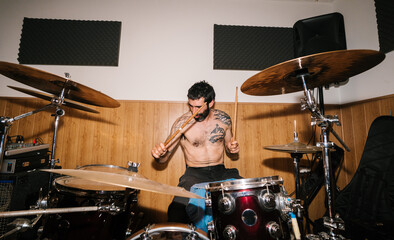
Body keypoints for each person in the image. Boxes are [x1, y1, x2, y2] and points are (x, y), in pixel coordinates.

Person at [151, 80, 242, 224]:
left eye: (198, 107)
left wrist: (233, 150)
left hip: (220, 170)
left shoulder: (224, 120)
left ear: (210, 103)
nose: (194, 112)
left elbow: (231, 150)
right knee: (176, 211)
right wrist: (159, 155)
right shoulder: (181, 124)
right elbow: (163, 159)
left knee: (247, 197)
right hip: (194, 173)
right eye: (191, 106)